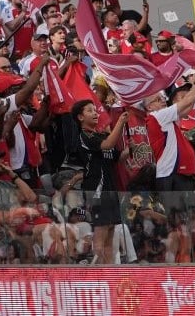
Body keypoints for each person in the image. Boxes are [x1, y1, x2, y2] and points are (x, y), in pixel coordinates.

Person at [73, 99, 127, 264]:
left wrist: (131, 148)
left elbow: (118, 157)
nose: (95, 113)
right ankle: (98, 275)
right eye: (90, 111)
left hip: (110, 189)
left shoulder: (101, 134)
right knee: (101, 232)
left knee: (111, 232)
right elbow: (108, 144)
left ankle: (109, 274)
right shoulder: (85, 136)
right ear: (80, 117)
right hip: (96, 189)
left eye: (95, 110)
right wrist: (121, 122)